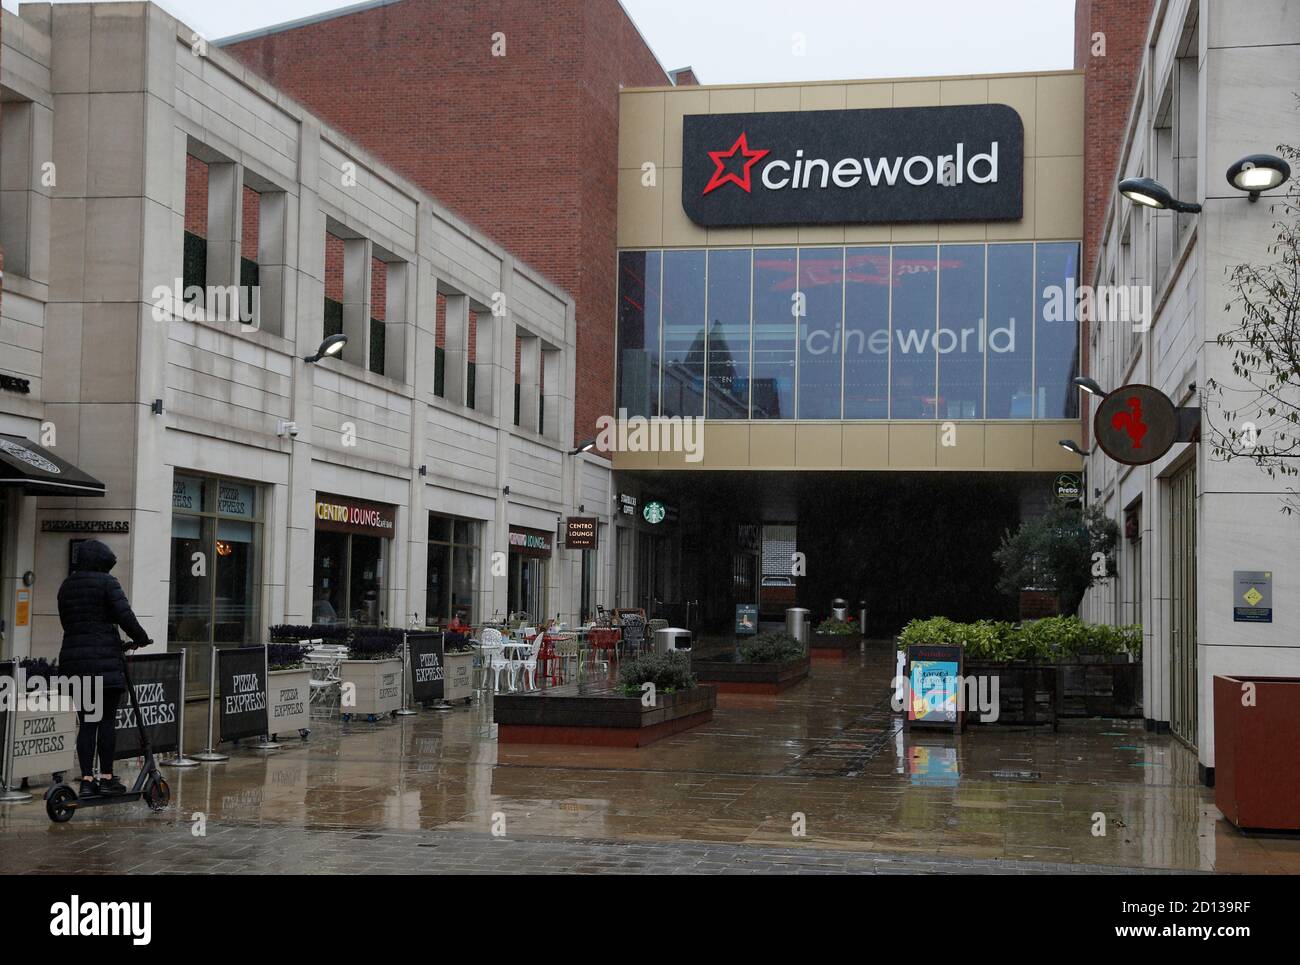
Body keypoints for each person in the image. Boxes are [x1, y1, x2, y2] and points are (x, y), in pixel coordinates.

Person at [57, 539, 151, 798]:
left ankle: (87, 780)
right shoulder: (107, 583)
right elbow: (125, 616)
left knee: (87, 722)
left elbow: (67, 621)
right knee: (107, 721)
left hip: (74, 662)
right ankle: (107, 778)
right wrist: (141, 639)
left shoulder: (67, 585)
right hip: (104, 663)